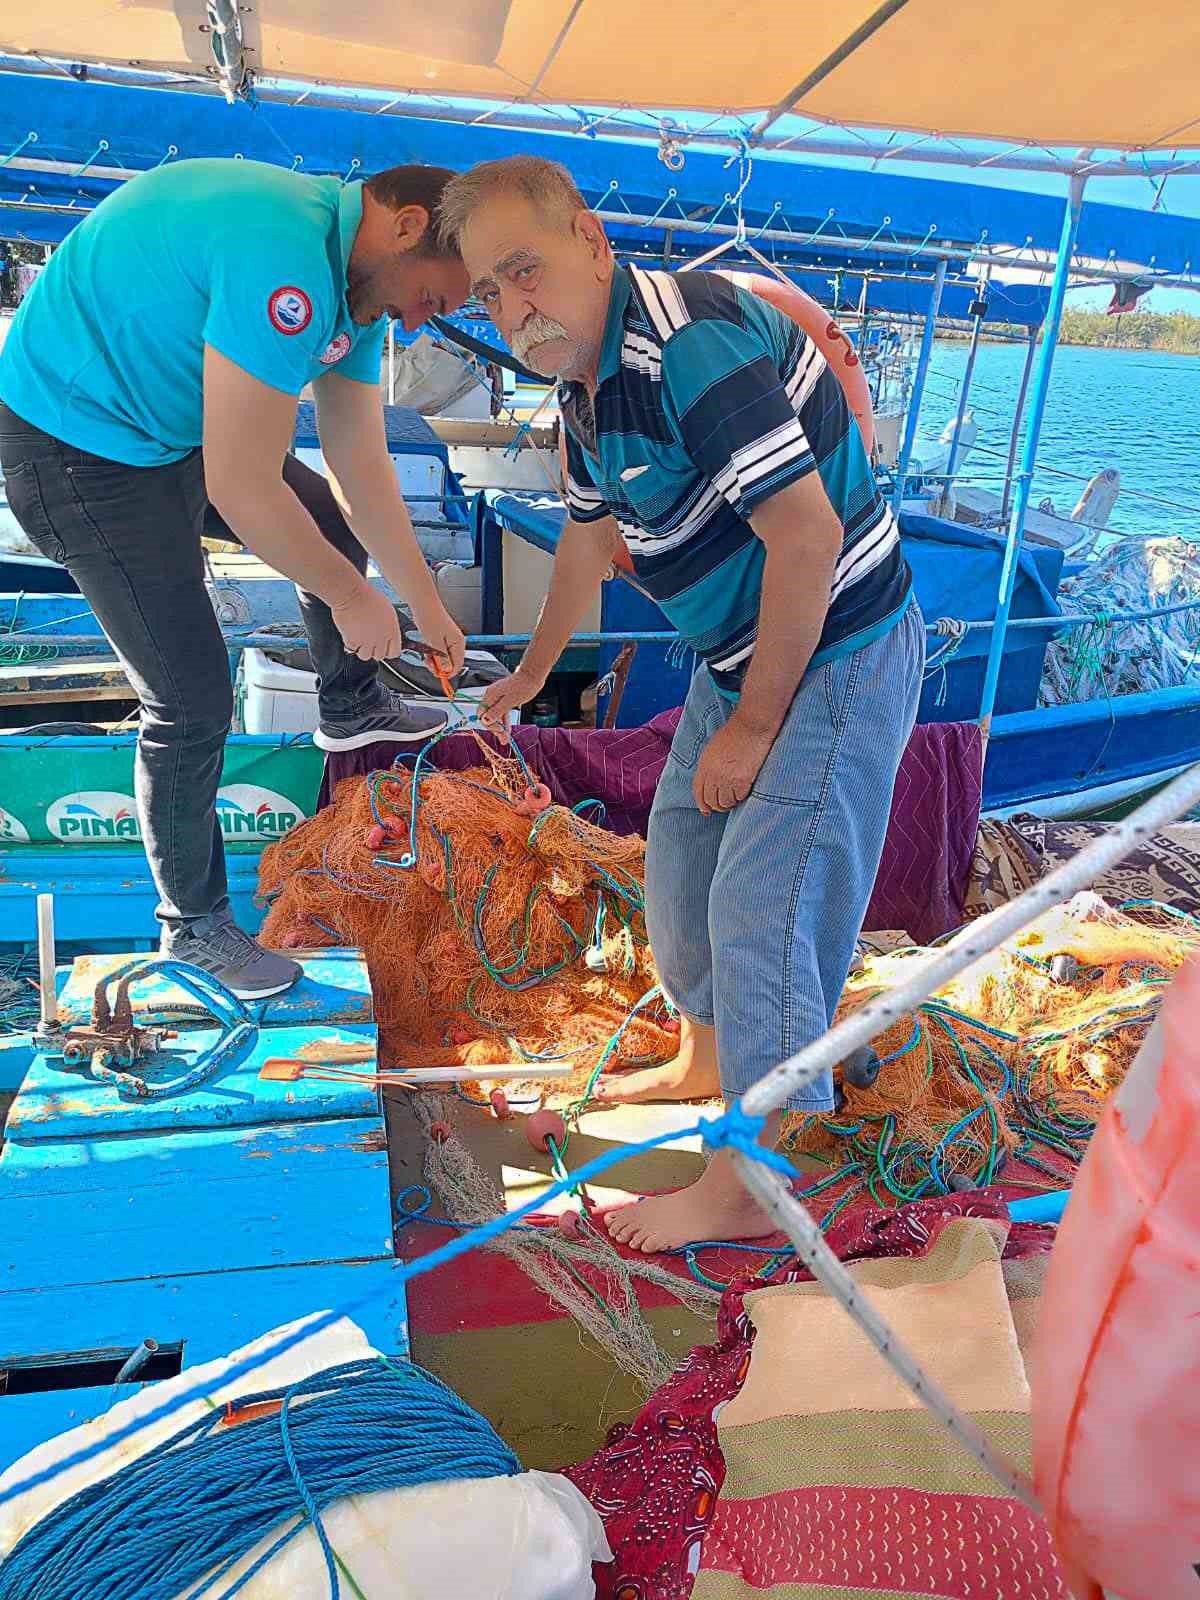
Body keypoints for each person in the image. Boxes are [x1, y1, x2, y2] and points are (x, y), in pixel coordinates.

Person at [439, 156, 924, 1251]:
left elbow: (809, 536)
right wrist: (527, 675)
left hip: (839, 644)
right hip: (736, 652)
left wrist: (754, 730)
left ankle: (753, 1179)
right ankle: (709, 1056)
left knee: (768, 896)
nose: (516, 308)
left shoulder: (685, 346)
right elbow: (585, 540)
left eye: (528, 270)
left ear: (593, 243)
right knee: (681, 852)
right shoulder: (579, 391)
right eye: (489, 294)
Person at [0, 157, 471, 997]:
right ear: (404, 227)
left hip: (171, 434)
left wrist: (425, 605)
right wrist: (353, 596)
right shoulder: (281, 252)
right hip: (74, 449)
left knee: (324, 514)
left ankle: (351, 702)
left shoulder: (357, 284)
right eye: (434, 297)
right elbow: (242, 484)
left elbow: (361, 461)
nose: (424, 317)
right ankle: (194, 928)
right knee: (187, 700)